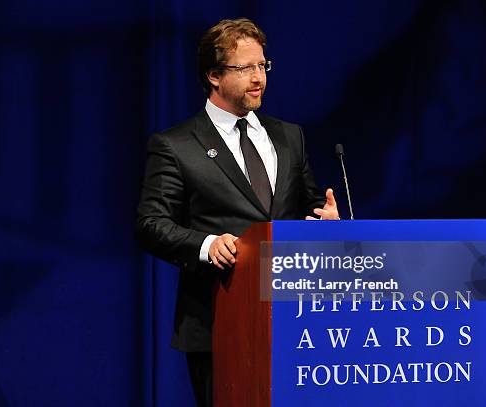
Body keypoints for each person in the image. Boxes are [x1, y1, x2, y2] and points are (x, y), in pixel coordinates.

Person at [136, 18, 339, 407]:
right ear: (213, 75)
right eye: (245, 68)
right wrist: (207, 245)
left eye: (263, 66)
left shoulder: (289, 135)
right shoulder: (176, 146)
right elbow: (150, 224)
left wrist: (325, 223)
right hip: (220, 322)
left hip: (296, 322)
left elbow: (306, 207)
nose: (258, 77)